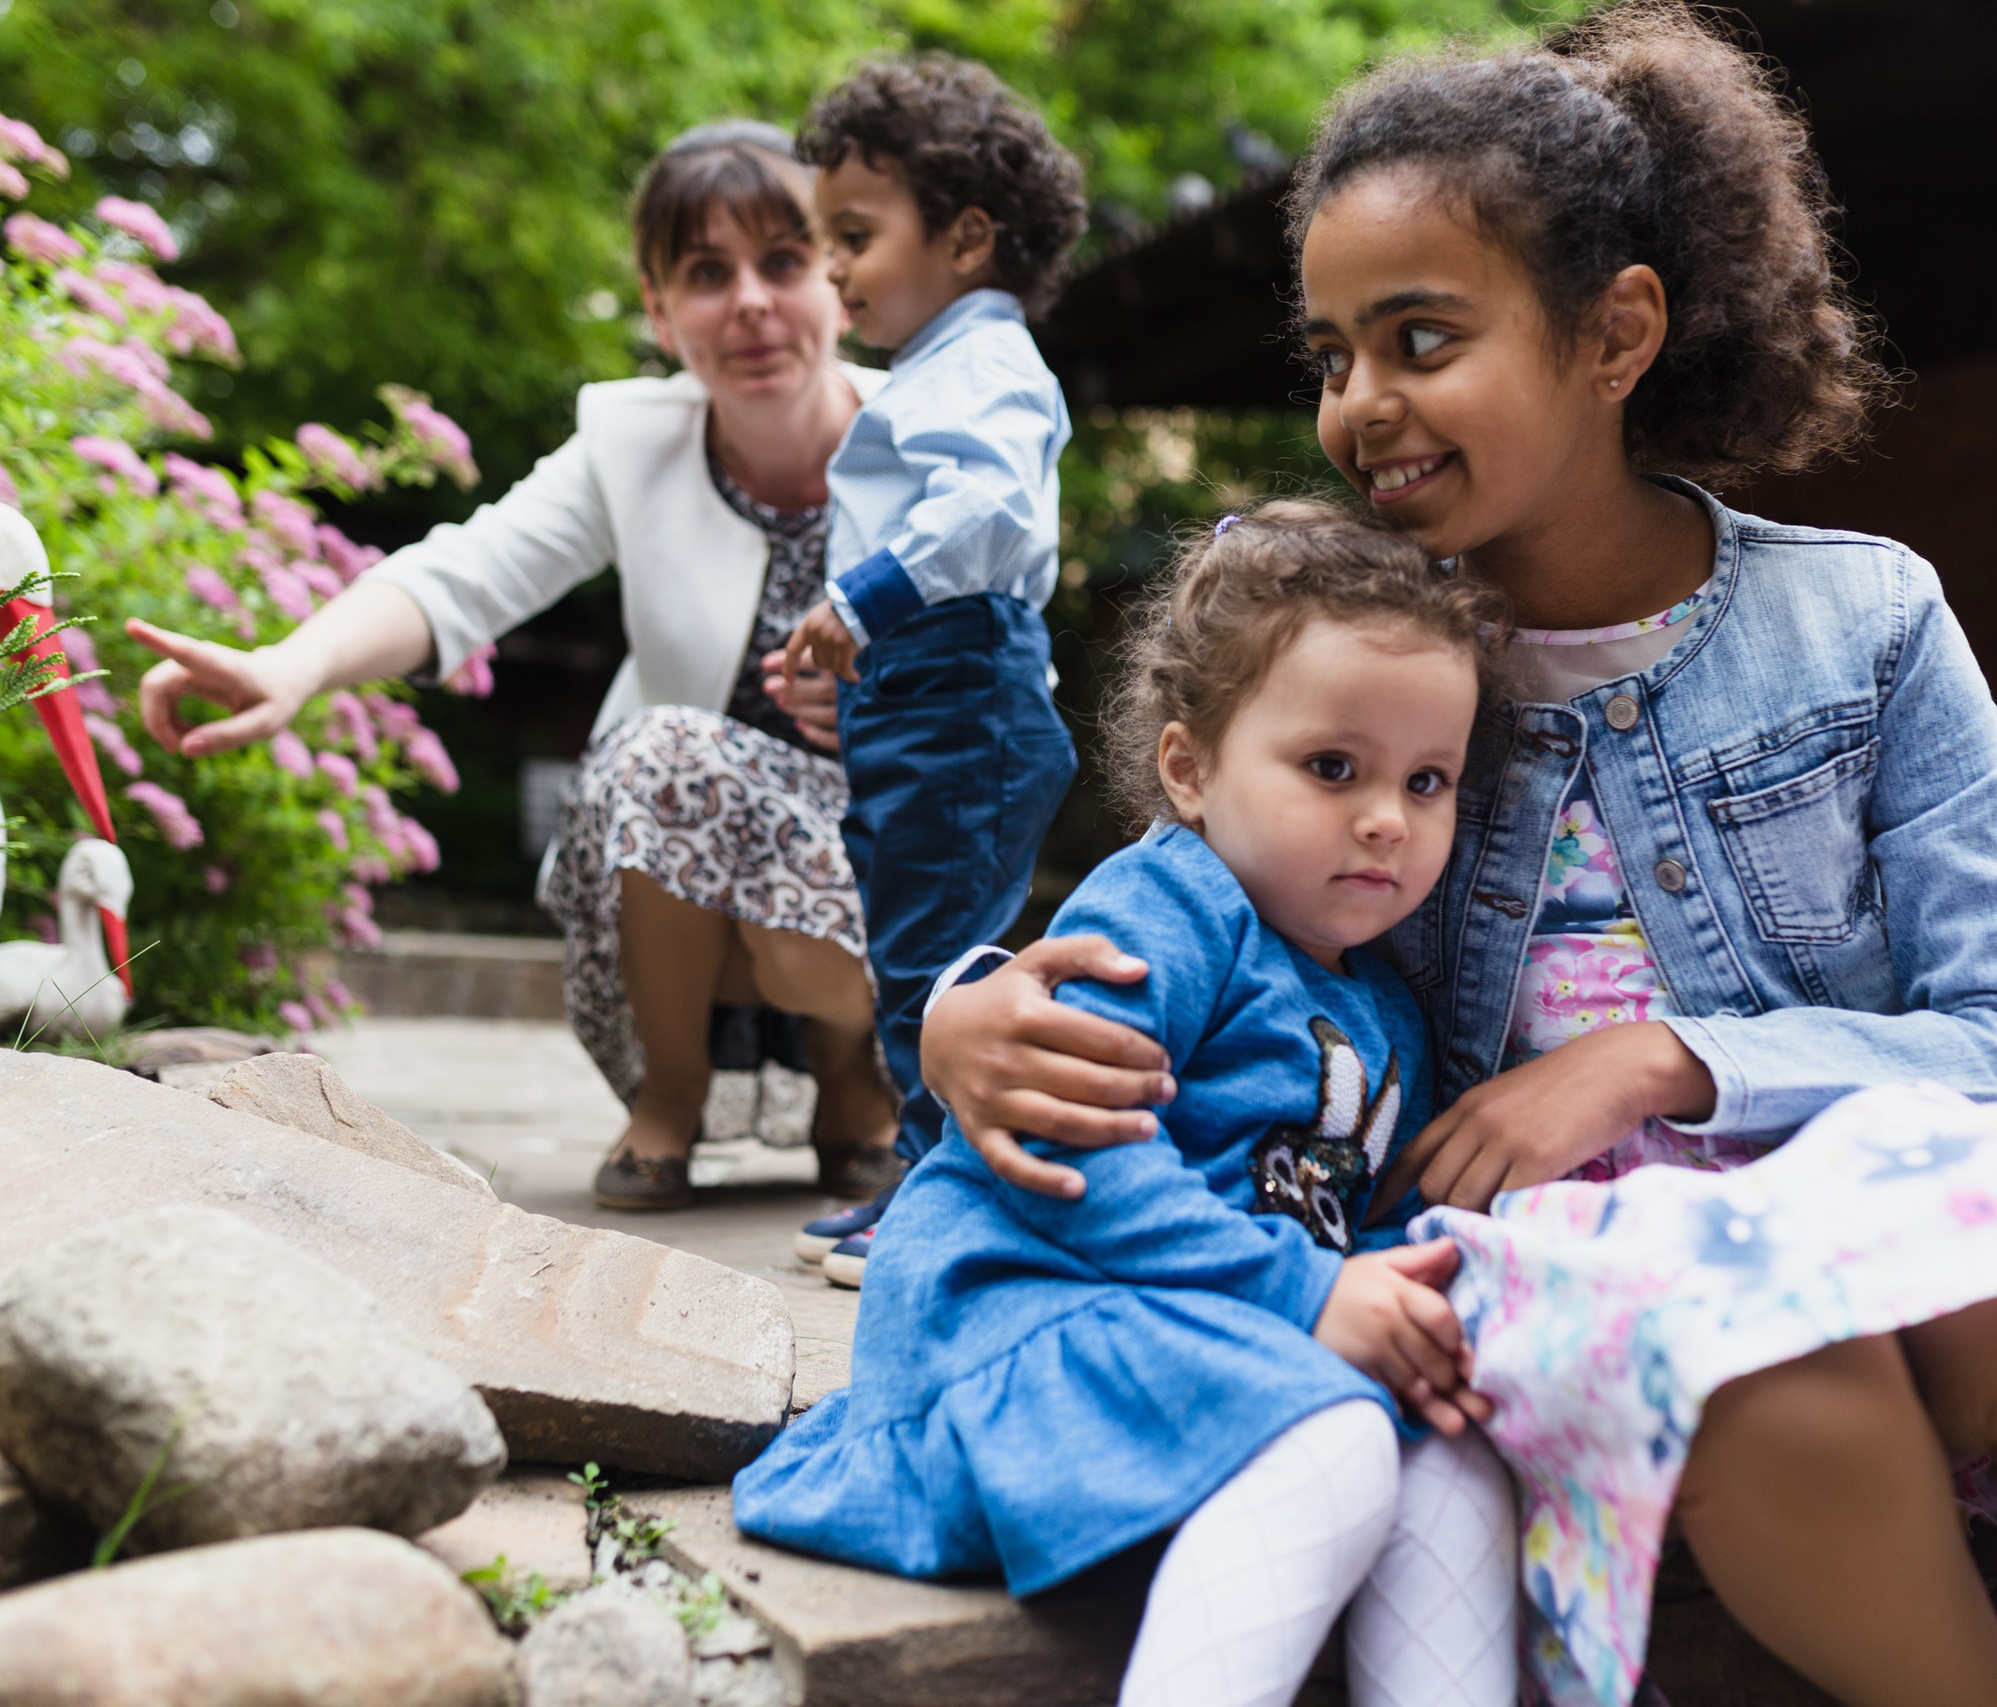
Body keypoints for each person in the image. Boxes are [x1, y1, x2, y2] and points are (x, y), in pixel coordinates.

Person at [917, 7, 1997, 1706]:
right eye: (1334, 353)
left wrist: (1660, 1061)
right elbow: (1185, 921)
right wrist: (971, 1010)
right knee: (1775, 1374)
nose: (1361, 404)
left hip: (1868, 1195)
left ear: (1614, 331)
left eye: (1421, 337)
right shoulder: (1357, 656)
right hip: (1563, 1264)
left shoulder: (1861, 620)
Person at [735, 502, 1518, 1707]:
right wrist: (1311, 1294)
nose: (1386, 819)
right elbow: (1069, 1142)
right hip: (1029, 1328)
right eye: (1332, 767)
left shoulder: (1388, 1012)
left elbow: (1344, 1221)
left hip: (1205, 1339)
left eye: (1429, 781)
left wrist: (1402, 1309)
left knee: (1454, 1465)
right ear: (1189, 769)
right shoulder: (1169, 907)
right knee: (1339, 1441)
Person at [129, 121, 904, 1213]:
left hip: (868, 866)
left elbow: (1011, 696)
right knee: (657, 748)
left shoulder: (929, 442)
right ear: (655, 307)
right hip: (676, 873)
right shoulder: (628, 441)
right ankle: (670, 1096)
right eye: (704, 273)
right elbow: (463, 575)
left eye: (782, 262)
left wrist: (893, 695)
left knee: (856, 831)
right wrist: (291, 667)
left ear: (835, 274)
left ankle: (857, 1091)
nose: (749, 302)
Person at [774, 56, 1089, 1283]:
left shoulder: (980, 368)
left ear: (966, 238)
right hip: (927, 699)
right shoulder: (940, 371)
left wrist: (864, 598)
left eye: (853, 235)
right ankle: (929, 1170)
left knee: (938, 961)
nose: (833, 268)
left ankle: (956, 1190)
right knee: (915, 950)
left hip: (961, 698)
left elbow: (993, 509)